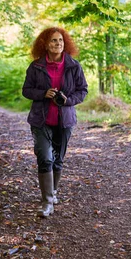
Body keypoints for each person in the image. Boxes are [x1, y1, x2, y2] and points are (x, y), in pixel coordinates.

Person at [22, 27, 88, 218]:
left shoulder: (74, 66)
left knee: (58, 159)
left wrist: (68, 100)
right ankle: (47, 202)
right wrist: (43, 94)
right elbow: (26, 90)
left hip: (64, 120)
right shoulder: (35, 67)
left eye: (60, 40)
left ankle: (53, 192)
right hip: (41, 120)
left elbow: (82, 91)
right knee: (44, 157)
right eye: (53, 40)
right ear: (45, 44)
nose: (57, 44)